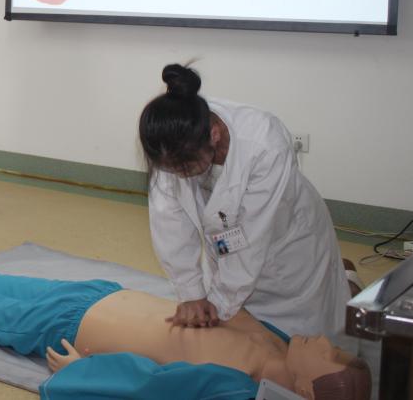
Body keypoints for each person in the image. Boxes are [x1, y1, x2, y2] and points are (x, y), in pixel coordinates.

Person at [0, 235, 370, 400]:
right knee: (8, 285)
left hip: (72, 329)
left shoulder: (239, 388)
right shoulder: (279, 341)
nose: (327, 343)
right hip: (104, 296)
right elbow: (231, 303)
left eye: (332, 356)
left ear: (308, 391)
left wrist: (83, 372)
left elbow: (150, 387)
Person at [138, 63, 348, 337]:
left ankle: (350, 279)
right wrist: (191, 294)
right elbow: (169, 222)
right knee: (241, 327)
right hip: (227, 244)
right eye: (171, 169)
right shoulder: (169, 141)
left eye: (185, 167)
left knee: (309, 336)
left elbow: (252, 237)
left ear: (214, 135)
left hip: (286, 243)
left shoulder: (264, 143)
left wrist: (217, 305)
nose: (178, 174)